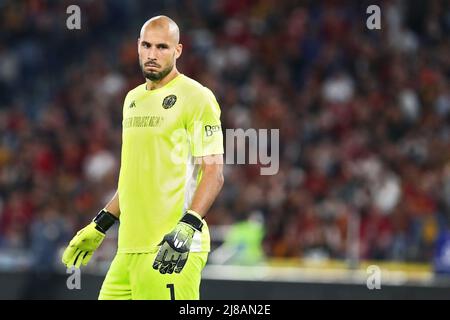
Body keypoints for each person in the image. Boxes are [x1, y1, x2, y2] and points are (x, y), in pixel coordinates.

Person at [61, 15, 224, 300]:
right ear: (137, 46)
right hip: (127, 250)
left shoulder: (197, 97)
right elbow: (134, 177)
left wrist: (188, 226)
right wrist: (101, 224)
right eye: (147, 45)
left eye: (162, 47)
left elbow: (213, 172)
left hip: (170, 250)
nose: (152, 54)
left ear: (178, 50)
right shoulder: (132, 100)